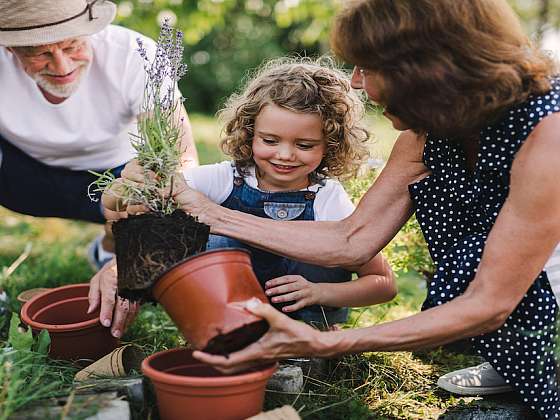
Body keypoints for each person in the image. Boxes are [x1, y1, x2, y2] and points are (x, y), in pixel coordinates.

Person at [110, 0, 560, 417]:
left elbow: (489, 303)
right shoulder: (426, 135)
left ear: (425, 70)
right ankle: (514, 362)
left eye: (367, 67)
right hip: (514, 294)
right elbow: (352, 239)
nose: (356, 83)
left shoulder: (548, 137)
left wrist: (327, 342)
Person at [101, 58, 396, 331]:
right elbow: (125, 201)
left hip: (304, 326)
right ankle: (220, 332)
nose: (285, 155)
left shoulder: (327, 197)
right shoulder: (226, 179)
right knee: (212, 238)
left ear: (330, 145)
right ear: (250, 132)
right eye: (269, 140)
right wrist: (124, 187)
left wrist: (321, 292)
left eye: (304, 145)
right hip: (230, 322)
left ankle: (308, 346)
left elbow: (383, 283)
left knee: (324, 247)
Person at [0, 0, 199, 273]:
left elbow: (181, 157)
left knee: (154, 195)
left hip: (114, 178)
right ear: (9, 47)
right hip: (21, 177)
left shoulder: (133, 54)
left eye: (72, 46)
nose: (62, 66)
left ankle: (109, 245)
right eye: (40, 53)